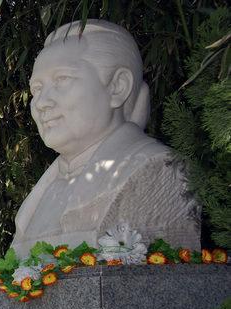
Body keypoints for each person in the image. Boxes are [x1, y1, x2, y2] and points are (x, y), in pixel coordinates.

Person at [11, 20, 199, 256]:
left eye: (62, 80)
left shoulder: (161, 171)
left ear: (117, 87)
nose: (41, 102)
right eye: (36, 89)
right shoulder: (39, 195)